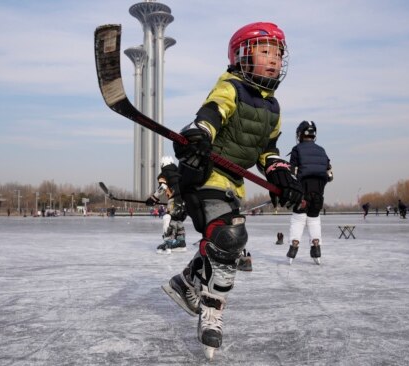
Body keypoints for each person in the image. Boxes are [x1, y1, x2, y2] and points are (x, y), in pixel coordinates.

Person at [160, 22, 301, 360]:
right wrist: (199, 134)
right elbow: (211, 114)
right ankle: (212, 313)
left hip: (230, 185)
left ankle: (185, 281)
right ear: (241, 56)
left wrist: (281, 173)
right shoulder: (231, 86)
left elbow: (267, 150)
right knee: (230, 239)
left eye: (277, 53)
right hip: (205, 177)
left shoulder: (273, 108)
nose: (273, 59)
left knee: (224, 243)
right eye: (264, 51)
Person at [285, 121, 333, 265]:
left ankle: (293, 248)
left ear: (300, 134)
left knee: (298, 220)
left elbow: (291, 173)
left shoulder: (297, 149)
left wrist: (290, 189)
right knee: (314, 220)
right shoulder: (322, 150)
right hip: (318, 193)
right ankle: (316, 248)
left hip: (302, 192)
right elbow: (330, 175)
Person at [146, 156, 188, 254]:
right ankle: (180, 243)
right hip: (184, 201)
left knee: (168, 219)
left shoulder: (164, 174)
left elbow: (163, 187)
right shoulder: (179, 174)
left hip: (174, 200)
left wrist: (152, 199)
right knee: (178, 220)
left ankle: (168, 243)